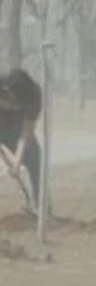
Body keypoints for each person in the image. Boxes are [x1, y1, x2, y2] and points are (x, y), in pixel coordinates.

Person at [0, 69, 42, 214]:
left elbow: (26, 133)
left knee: (35, 158)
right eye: (13, 99)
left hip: (16, 125)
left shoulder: (34, 95)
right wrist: (6, 158)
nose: (15, 103)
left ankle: (40, 205)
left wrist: (16, 163)